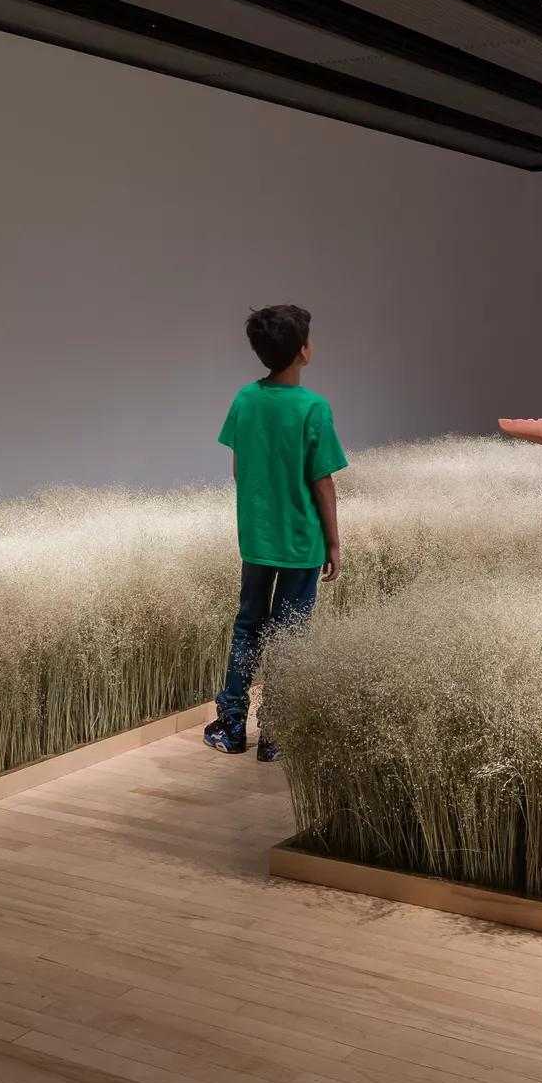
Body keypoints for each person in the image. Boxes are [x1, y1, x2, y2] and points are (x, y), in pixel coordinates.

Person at [206, 304, 346, 761]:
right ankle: (275, 734)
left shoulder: (245, 399)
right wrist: (333, 542)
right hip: (301, 543)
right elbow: (322, 482)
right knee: (288, 635)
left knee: (247, 626)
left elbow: (238, 468)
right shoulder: (313, 408)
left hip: (257, 539)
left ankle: (230, 727)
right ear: (303, 351)